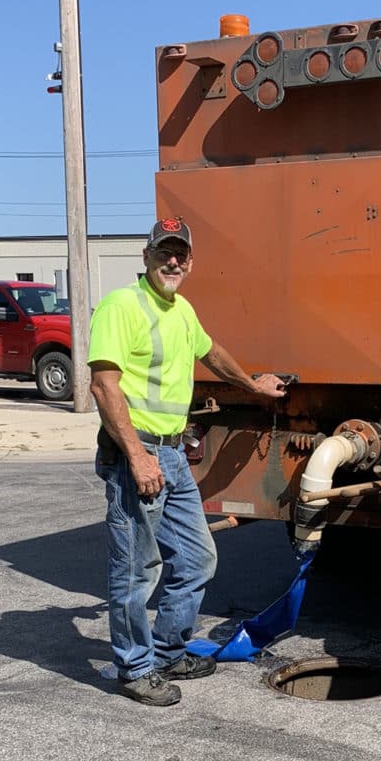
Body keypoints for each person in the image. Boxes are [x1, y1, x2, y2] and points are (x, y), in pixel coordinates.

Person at [89, 217, 289, 706]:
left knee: (198, 557)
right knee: (137, 569)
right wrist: (137, 456)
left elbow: (212, 352)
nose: (172, 261)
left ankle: (168, 650)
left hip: (173, 453)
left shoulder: (180, 310)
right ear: (147, 256)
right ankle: (135, 668)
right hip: (137, 453)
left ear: (190, 262)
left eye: (180, 254)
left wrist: (252, 384)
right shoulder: (122, 306)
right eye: (164, 252)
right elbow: (103, 385)